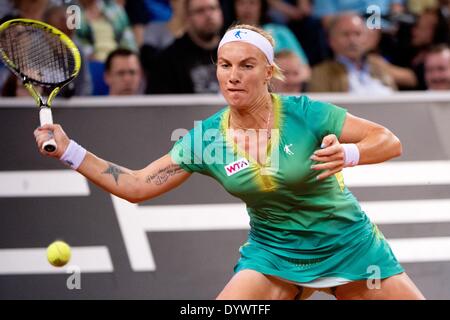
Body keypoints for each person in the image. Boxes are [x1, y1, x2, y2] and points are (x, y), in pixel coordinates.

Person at [34, 24, 425, 300]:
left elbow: (388, 141)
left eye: (246, 66)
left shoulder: (307, 113)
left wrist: (349, 153)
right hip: (274, 256)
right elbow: (136, 185)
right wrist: (71, 150)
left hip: (349, 247)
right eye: (225, 65)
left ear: (269, 72)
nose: (233, 76)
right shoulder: (206, 140)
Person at [144, 0, 224, 94]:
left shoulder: (235, 50)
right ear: (187, 18)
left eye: (213, 8)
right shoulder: (168, 60)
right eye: (200, 11)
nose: (208, 15)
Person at [309, 13, 396, 94]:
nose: (352, 40)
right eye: (346, 34)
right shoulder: (321, 73)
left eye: (358, 34)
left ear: (366, 38)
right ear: (331, 40)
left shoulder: (379, 65)